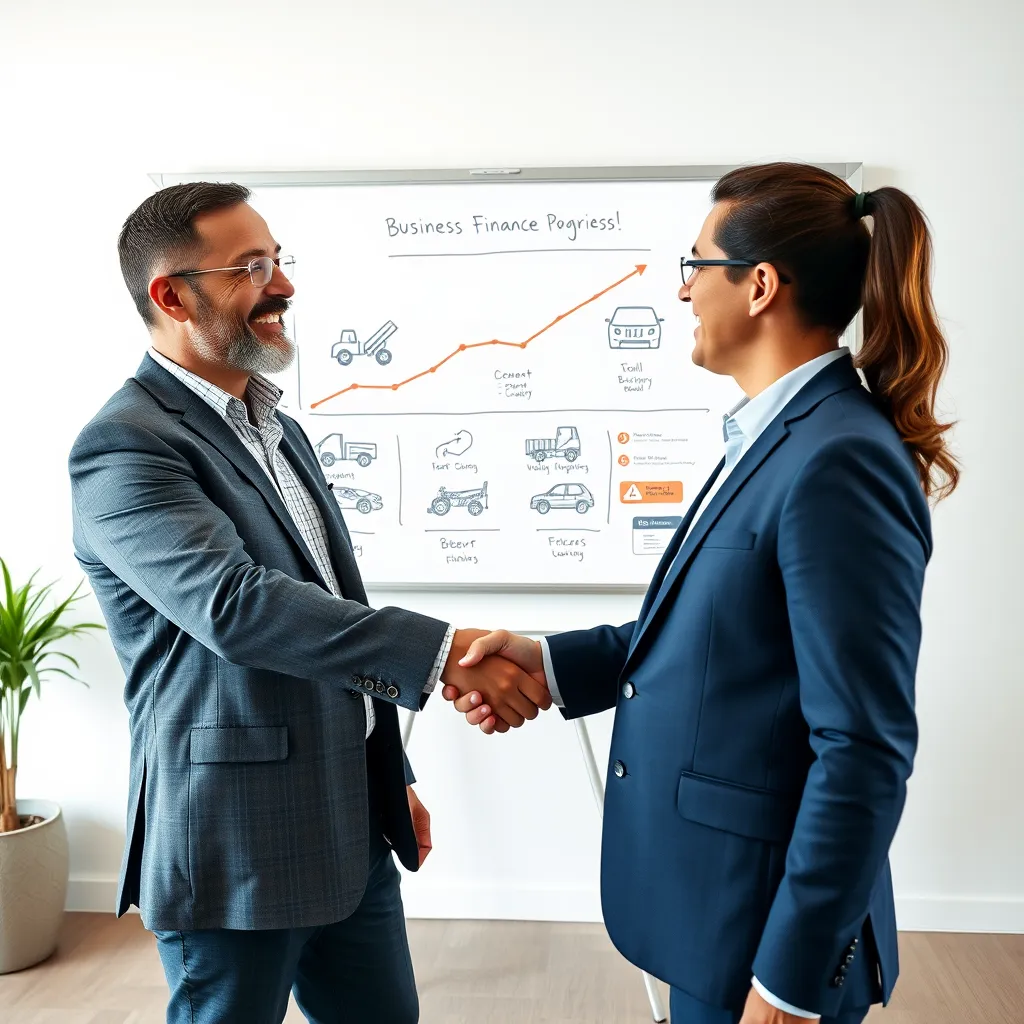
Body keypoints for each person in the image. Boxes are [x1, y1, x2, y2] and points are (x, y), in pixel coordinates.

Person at [443, 163, 959, 1024]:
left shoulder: (838, 457)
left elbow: (864, 745)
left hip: (764, 937)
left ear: (758, 286)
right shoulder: (779, 434)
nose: (681, 292)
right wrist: (547, 663)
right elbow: (715, 633)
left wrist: (789, 982)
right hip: (718, 912)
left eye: (695, 266)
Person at [68, 182, 550, 1024]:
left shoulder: (276, 426)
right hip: (236, 839)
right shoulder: (124, 446)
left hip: (348, 820)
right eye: (250, 268)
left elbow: (327, 608)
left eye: (279, 260)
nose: (282, 285)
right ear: (171, 294)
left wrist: (384, 774)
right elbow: (237, 607)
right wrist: (442, 653)